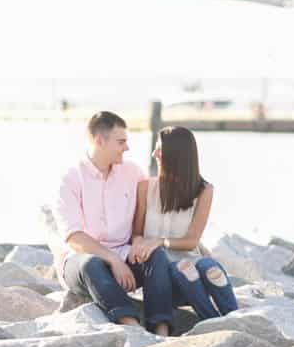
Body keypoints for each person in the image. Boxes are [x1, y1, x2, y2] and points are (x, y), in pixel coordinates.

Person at [52, 111, 174, 332]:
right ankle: (131, 325)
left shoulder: (132, 172)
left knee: (155, 256)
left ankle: (161, 329)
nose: (126, 148)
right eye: (121, 142)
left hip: (125, 255)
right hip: (82, 264)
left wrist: (141, 242)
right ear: (100, 141)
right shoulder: (70, 178)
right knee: (92, 264)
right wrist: (113, 261)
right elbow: (74, 237)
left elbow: (154, 207)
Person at [130, 126, 237, 323]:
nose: (155, 154)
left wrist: (160, 241)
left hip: (193, 265)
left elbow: (191, 241)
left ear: (178, 154)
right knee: (183, 268)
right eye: (155, 148)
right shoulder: (145, 187)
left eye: (160, 149)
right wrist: (140, 244)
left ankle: (235, 316)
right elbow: (136, 233)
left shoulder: (204, 190)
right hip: (164, 274)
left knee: (209, 266)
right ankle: (212, 320)